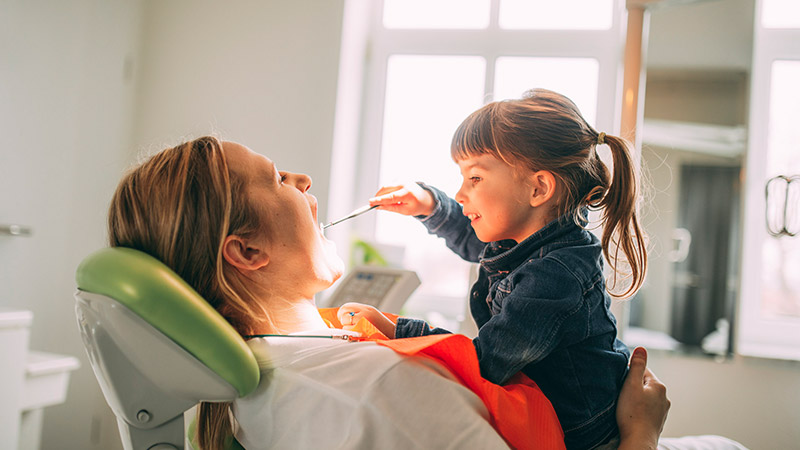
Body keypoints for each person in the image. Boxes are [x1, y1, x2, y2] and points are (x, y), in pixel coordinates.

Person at [106, 136, 671, 450]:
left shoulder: (273, 369)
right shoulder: (376, 391)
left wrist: (432, 214)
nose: (303, 179)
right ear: (249, 253)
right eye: (278, 178)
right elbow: (485, 354)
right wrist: (642, 431)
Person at [339, 88, 647, 449]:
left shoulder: (558, 273)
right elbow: (472, 239)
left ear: (539, 188)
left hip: (587, 438)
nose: (460, 193)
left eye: (475, 178)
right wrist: (429, 205)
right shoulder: (523, 245)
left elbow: (485, 360)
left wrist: (398, 330)